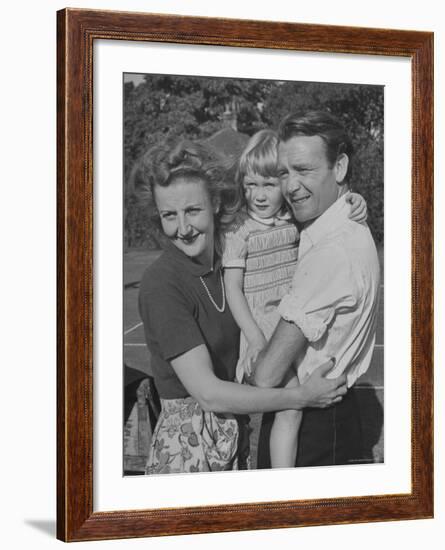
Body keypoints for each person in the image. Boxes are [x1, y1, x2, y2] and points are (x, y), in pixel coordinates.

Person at [137, 141, 348, 474]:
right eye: (169, 215)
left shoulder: (229, 262)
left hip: (233, 438)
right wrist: (301, 397)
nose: (183, 228)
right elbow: (208, 394)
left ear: (216, 203)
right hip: (189, 452)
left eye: (192, 210)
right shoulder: (162, 284)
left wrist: (349, 201)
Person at [222, 129, 367, 468]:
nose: (258, 195)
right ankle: (282, 484)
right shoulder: (238, 232)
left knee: (293, 407)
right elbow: (232, 289)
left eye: (269, 184)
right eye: (250, 185)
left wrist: (355, 200)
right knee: (289, 408)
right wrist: (257, 339)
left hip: (294, 323)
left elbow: (331, 217)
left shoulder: (294, 221)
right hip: (262, 329)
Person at [254, 111, 380, 468]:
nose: (290, 185)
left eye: (304, 170)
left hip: (312, 425)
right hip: (329, 416)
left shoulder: (332, 251)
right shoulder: (343, 229)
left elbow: (266, 376)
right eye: (283, 172)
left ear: (339, 168)